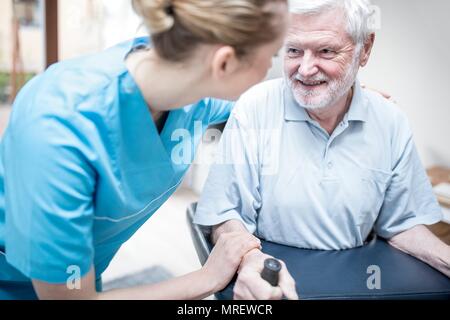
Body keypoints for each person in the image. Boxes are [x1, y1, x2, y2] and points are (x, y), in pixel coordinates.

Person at [0, 0, 289, 299]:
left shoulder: (186, 85)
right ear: (224, 63)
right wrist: (208, 278)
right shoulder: (59, 128)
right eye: (273, 56)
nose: (272, 69)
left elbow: (266, 103)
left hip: (81, 275)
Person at [194, 0, 449, 300]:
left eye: (326, 51)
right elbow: (224, 214)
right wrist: (251, 259)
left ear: (364, 48)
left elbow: (403, 223)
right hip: (273, 274)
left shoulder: (390, 121)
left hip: (355, 281)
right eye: (293, 50)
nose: (304, 69)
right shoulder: (255, 107)